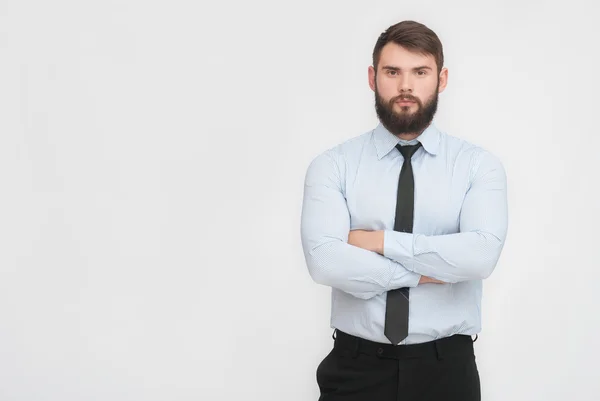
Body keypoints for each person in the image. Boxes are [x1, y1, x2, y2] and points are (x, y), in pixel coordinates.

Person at [300, 20, 508, 401]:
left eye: (420, 72)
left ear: (441, 79)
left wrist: (378, 242)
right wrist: (423, 273)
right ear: (372, 77)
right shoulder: (334, 165)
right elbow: (325, 261)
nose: (406, 86)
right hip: (355, 368)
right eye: (392, 71)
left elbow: (479, 257)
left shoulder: (478, 166)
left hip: (447, 370)